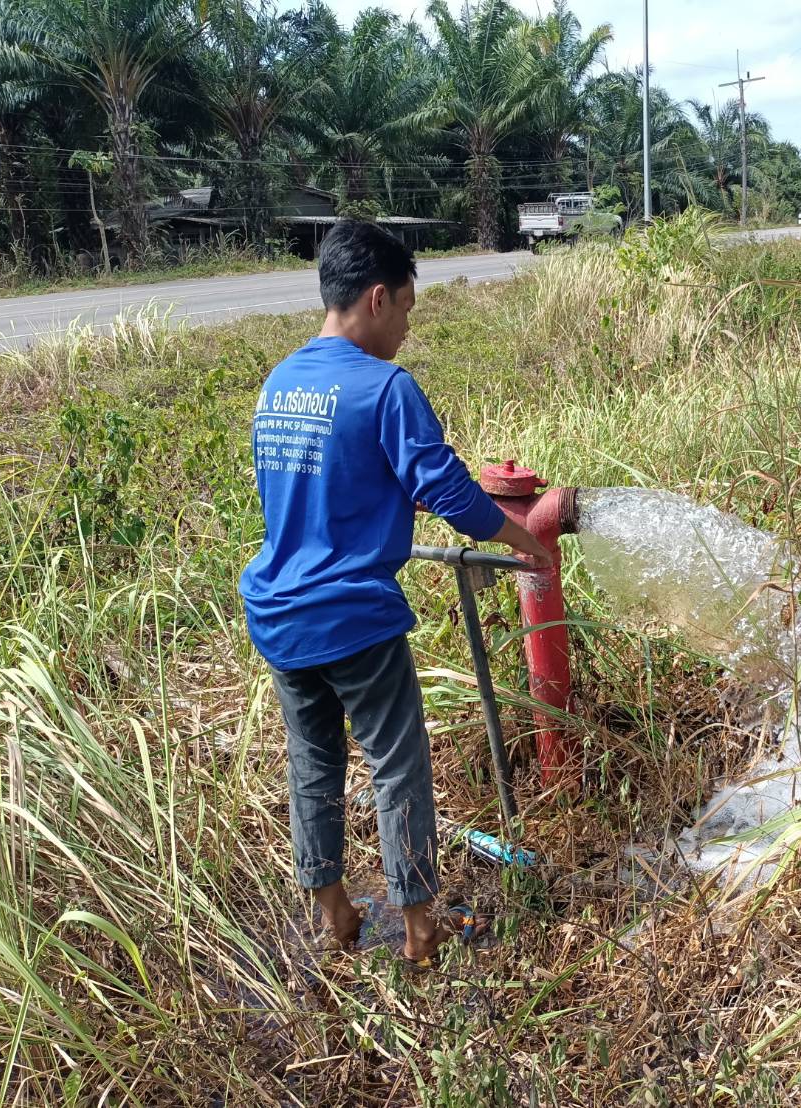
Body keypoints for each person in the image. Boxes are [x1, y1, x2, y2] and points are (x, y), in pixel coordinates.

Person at [238, 220, 550, 963]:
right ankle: (417, 925)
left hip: (278, 612)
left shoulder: (282, 381)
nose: (406, 330)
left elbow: (316, 482)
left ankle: (334, 910)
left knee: (313, 763)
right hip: (350, 616)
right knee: (396, 766)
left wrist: (383, 498)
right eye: (406, 310)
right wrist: (523, 541)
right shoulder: (384, 386)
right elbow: (448, 488)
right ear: (377, 298)